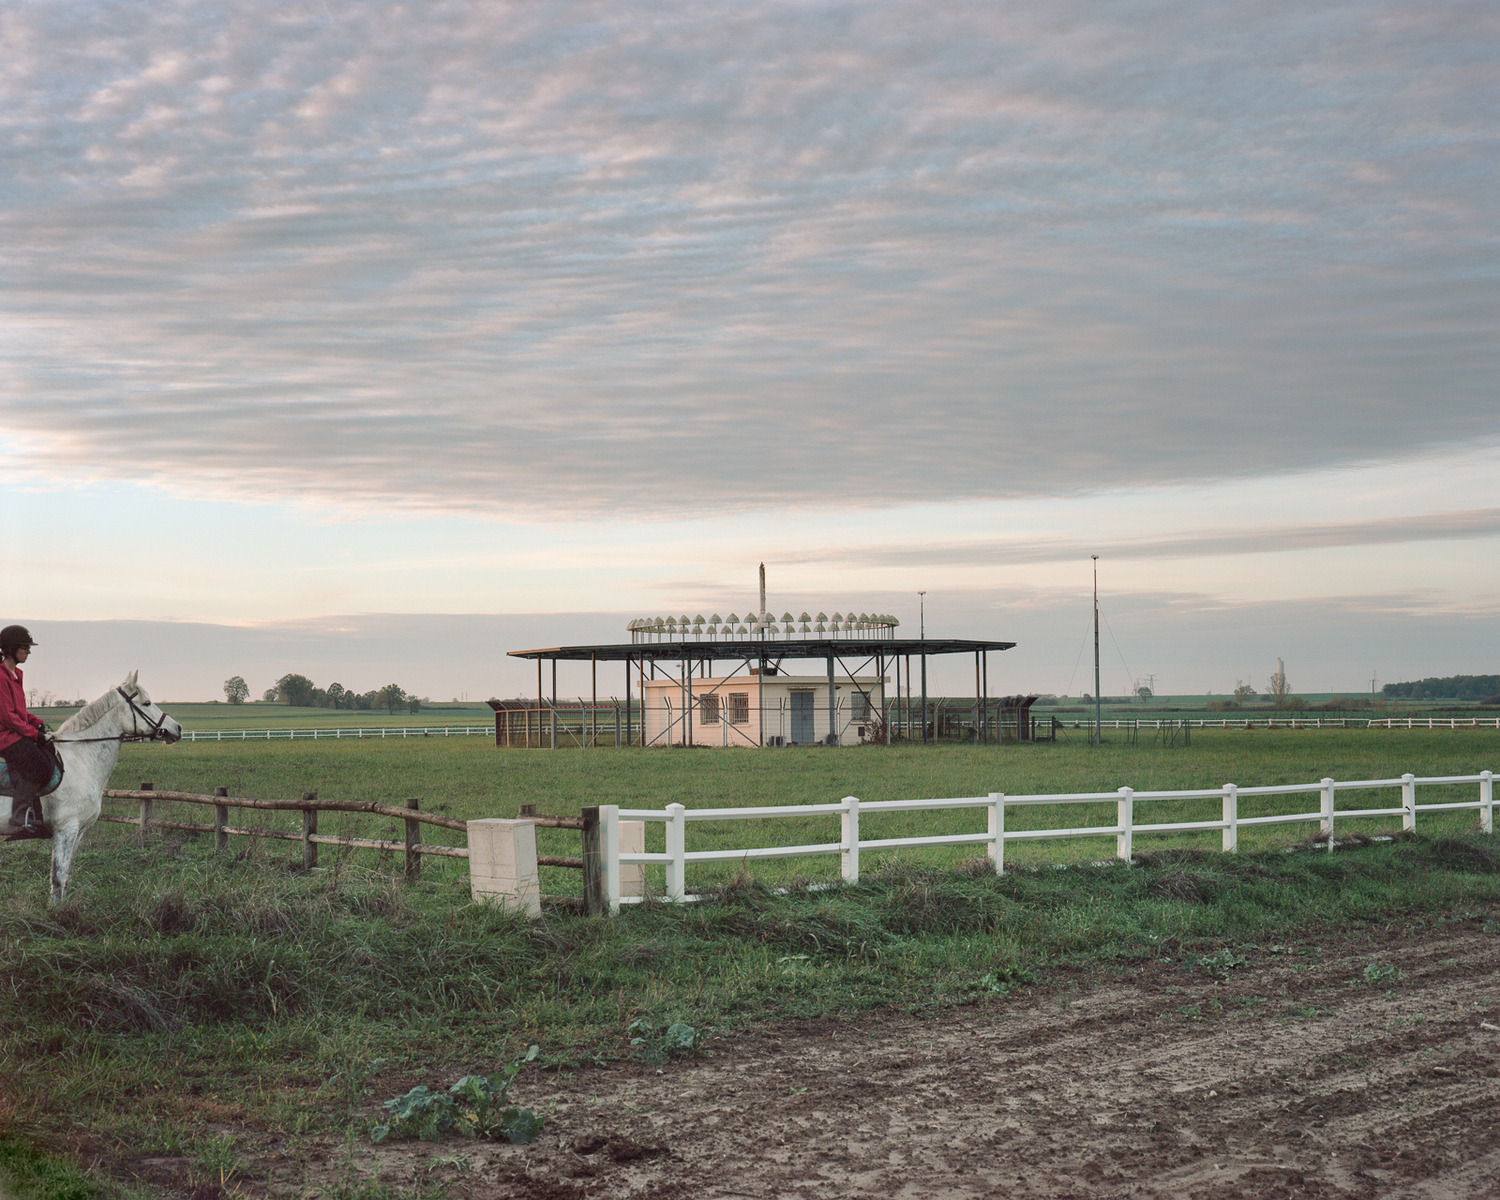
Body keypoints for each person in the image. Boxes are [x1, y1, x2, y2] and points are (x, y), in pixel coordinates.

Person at [1, 625, 50, 836]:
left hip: (16, 733)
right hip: (5, 737)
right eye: (25, 648)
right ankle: (20, 814)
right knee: (38, 765)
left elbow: (19, 711)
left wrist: (35, 721)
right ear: (11, 649)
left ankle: (37, 816)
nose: (28, 652)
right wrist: (32, 733)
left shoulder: (16, 674)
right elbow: (7, 716)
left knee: (46, 756)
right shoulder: (1, 676)